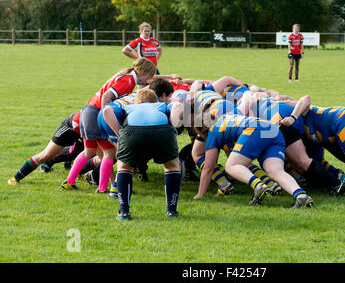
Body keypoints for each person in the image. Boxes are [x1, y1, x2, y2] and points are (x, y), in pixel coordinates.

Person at [60, 58, 156, 192]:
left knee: (105, 152)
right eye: (148, 77)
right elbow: (106, 97)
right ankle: (95, 186)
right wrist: (106, 118)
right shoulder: (128, 80)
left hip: (91, 111)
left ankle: (87, 185)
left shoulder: (129, 77)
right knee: (98, 152)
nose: (148, 80)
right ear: (143, 72)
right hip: (94, 113)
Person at [193, 112, 314, 208]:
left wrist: (200, 195)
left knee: (231, 165)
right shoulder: (225, 117)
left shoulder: (212, 131)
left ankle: (258, 186)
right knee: (275, 171)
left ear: (202, 130)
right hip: (272, 129)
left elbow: (208, 168)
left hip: (255, 129)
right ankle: (301, 196)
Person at [114, 88, 183, 220]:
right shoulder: (162, 105)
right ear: (154, 100)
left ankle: (124, 212)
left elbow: (106, 111)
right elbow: (179, 105)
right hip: (162, 131)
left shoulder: (129, 107)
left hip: (132, 131)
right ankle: (171, 211)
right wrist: (173, 126)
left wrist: (120, 133)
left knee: (124, 168)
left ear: (137, 101)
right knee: (172, 166)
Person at [9, 111, 81, 185]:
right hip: (72, 126)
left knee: (82, 152)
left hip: (84, 129)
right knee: (46, 155)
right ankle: (15, 178)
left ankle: (78, 171)